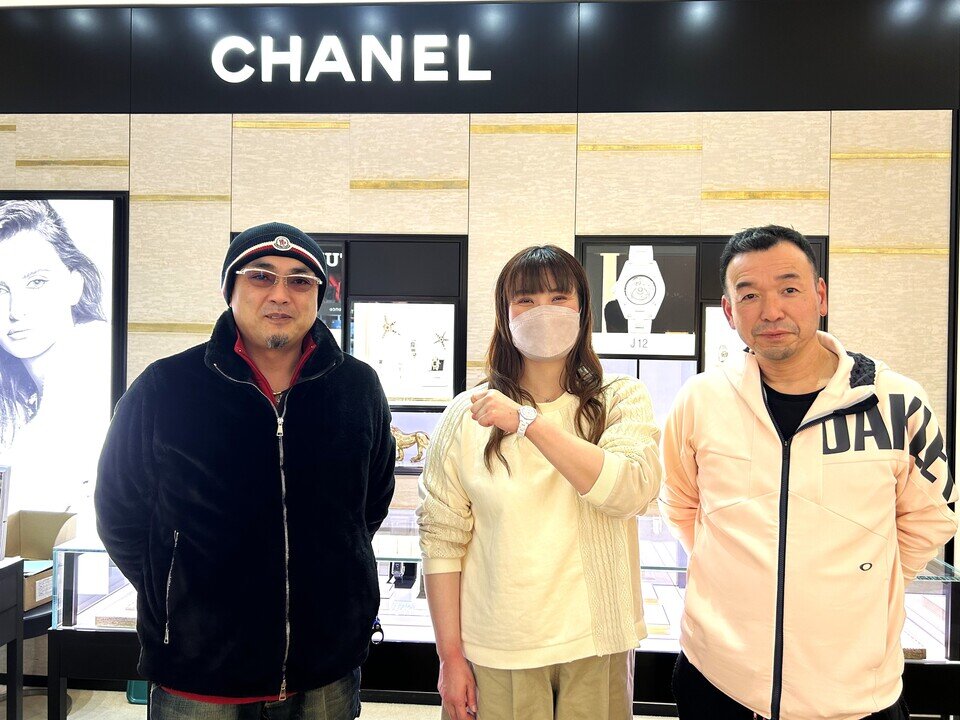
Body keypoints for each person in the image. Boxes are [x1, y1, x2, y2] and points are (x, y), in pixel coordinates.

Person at [95, 221, 395, 720]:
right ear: (229, 289)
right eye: (261, 276)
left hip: (326, 666)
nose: (280, 294)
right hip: (199, 670)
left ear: (318, 296)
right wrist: (177, 597)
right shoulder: (167, 387)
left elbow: (370, 503)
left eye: (300, 281)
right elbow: (119, 512)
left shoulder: (357, 388)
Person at [659, 225, 958, 720]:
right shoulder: (700, 400)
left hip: (854, 693)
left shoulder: (895, 400)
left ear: (820, 295)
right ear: (729, 311)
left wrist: (863, 584)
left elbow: (931, 518)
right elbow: (680, 504)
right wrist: (737, 577)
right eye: (749, 295)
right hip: (719, 680)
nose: (771, 311)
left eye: (789, 289)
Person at [417, 245, 662, 720]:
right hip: (499, 647)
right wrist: (450, 658)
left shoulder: (620, 398)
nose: (543, 311)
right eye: (525, 300)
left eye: (558, 297)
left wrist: (528, 422)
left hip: (597, 642)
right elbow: (441, 540)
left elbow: (628, 491)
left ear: (583, 309)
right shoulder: (468, 414)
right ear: (504, 315)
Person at [0, 199, 110, 513]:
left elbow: (28, 506)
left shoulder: (90, 350)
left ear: (75, 285)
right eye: (1, 289)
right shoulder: (19, 390)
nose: (16, 310)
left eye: (36, 282)